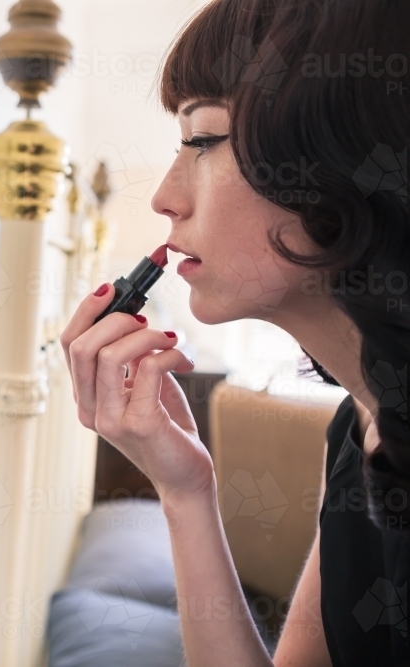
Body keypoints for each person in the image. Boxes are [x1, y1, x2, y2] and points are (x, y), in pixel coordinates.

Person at [59, 0, 408, 665]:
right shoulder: (355, 429)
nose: (164, 195)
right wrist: (184, 489)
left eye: (202, 139)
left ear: (340, 148)